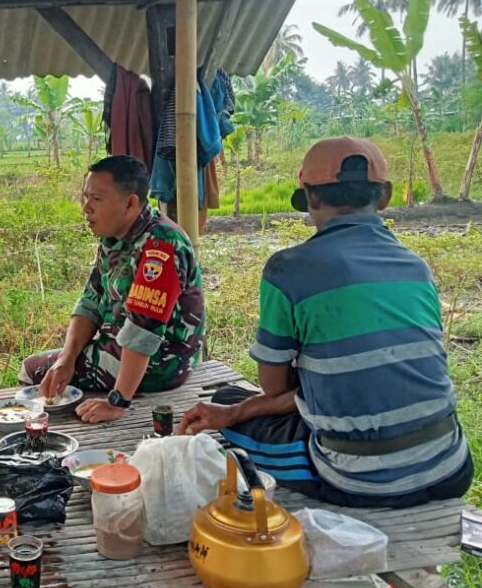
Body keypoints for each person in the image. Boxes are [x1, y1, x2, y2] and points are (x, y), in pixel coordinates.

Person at [178, 137, 473, 507]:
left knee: (227, 406)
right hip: (451, 466)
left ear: (309, 196)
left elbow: (272, 389)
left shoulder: (288, 270)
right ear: (384, 197)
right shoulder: (416, 267)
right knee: (236, 403)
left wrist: (235, 412)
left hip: (356, 478)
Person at [19, 155, 205, 424]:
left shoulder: (161, 245)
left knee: (32, 371)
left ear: (130, 203)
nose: (86, 208)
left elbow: (143, 333)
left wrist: (118, 402)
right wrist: (66, 359)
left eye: (96, 199)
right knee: (54, 371)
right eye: (85, 197)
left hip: (159, 364)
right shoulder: (113, 237)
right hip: (116, 348)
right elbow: (90, 302)